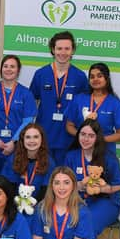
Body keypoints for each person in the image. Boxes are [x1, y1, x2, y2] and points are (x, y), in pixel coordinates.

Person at [30, 31, 88, 165]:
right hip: (44, 135)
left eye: (67, 48)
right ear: (52, 49)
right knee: (44, 175)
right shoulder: (41, 74)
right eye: (59, 48)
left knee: (65, 177)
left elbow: (85, 107)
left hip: (68, 137)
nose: (63, 52)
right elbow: (32, 102)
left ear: (72, 50)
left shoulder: (79, 77)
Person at [64, 119, 120, 239]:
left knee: (88, 224)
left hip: (105, 201)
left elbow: (119, 185)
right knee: (64, 222)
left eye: (91, 136)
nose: (86, 139)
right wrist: (78, 185)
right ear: (78, 135)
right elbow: (64, 182)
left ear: (97, 138)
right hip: (77, 199)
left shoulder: (108, 157)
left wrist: (100, 189)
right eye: (83, 134)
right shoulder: (71, 156)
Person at [65, 62, 120, 153]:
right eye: (92, 77)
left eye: (99, 76)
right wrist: (83, 137)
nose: (95, 79)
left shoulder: (115, 103)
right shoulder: (78, 99)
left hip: (104, 151)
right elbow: (69, 126)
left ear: (107, 78)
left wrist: (98, 140)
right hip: (80, 150)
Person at [0, 55, 37, 172]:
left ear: (18, 71)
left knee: (11, 182)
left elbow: (28, 121)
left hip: (16, 147)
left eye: (12, 67)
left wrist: (14, 142)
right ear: (1, 69)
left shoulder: (26, 94)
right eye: (5, 66)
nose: (8, 69)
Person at [1, 123, 55, 223]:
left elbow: (46, 191)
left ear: (41, 140)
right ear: (22, 140)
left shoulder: (49, 162)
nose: (32, 141)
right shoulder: (12, 160)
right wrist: (18, 205)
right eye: (28, 137)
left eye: (36, 137)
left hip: (38, 208)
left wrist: (31, 205)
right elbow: (8, 188)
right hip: (15, 207)